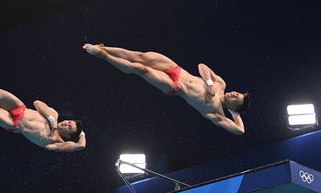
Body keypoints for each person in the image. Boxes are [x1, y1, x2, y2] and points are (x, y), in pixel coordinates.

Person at [83, 44, 250, 135]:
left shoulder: (217, 112)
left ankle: (103, 56)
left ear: (233, 108)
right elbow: (202, 66)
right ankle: (103, 48)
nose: (234, 93)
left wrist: (236, 115)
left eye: (236, 98)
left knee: (141, 69)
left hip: (174, 86)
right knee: (139, 55)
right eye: (237, 93)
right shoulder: (220, 84)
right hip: (176, 69)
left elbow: (240, 131)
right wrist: (210, 84)